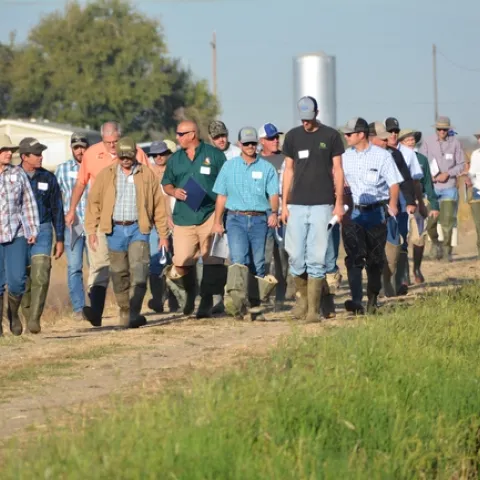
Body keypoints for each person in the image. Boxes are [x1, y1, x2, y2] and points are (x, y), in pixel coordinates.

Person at [64, 121, 149, 326]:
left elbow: (149, 181)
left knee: (126, 268)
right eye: (108, 142)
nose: (112, 145)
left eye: (116, 141)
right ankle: (96, 312)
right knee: (99, 264)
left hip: (130, 219)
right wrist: (72, 208)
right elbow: (81, 183)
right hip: (101, 219)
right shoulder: (91, 154)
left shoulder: (135, 152)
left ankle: (129, 313)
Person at [85, 137, 169, 328]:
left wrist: (163, 235)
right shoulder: (106, 175)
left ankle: (133, 312)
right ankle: (124, 310)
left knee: (139, 273)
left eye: (128, 156)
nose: (125, 160)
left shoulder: (146, 174)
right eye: (122, 156)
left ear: (134, 155)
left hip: (139, 228)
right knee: (118, 274)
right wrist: (91, 230)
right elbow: (94, 203)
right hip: (114, 230)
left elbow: (158, 206)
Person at [281, 96, 346, 323]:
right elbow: (288, 170)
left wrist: (338, 203)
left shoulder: (331, 136)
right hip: (296, 204)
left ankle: (312, 311)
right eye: (303, 119)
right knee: (296, 256)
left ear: (317, 112)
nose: (306, 123)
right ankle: (304, 300)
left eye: (309, 118)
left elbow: (338, 170)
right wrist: (284, 205)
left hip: (323, 204)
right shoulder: (292, 137)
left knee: (317, 258)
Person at [162, 120, 227, 319]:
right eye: (177, 134)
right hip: (184, 216)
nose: (177, 138)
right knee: (181, 261)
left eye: (181, 134)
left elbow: (226, 184)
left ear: (192, 134)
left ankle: (206, 301)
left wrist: (220, 218)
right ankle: (190, 293)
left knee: (212, 260)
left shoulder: (214, 155)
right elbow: (166, 184)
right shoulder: (175, 160)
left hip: (209, 214)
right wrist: (175, 192)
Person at [212, 127, 279, 320]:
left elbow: (273, 194)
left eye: (253, 143)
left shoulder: (266, 168)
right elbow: (221, 196)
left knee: (258, 263)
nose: (250, 146)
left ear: (257, 144)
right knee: (238, 260)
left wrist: (274, 212)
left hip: (259, 219)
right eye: (246, 143)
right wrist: (217, 221)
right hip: (235, 219)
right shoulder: (229, 166)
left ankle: (256, 307)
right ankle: (238, 305)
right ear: (239, 144)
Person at [340, 117, 403, 314]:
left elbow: (394, 183)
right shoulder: (344, 157)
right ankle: (356, 300)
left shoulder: (382, 156)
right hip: (353, 213)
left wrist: (392, 205)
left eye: (349, 134)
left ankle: (373, 300)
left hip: (376, 213)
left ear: (361, 135)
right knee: (354, 257)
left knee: (375, 259)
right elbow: (337, 180)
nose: (346, 136)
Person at [19, 137, 65, 334]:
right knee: (22, 278)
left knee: (41, 273)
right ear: (24, 156)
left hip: (43, 229)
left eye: (41, 153)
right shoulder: (12, 177)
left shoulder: (48, 178)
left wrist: (60, 238)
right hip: (18, 232)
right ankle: (27, 314)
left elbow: (57, 209)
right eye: (36, 154)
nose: (40, 157)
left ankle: (35, 319)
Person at [368, 122, 416, 297]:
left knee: (394, 243)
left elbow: (405, 180)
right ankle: (378, 285)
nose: (385, 141)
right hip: (371, 209)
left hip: (393, 208)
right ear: (371, 139)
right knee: (374, 247)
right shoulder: (359, 157)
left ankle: (388, 280)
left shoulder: (394, 155)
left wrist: (410, 201)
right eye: (382, 138)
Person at [0, 134, 39, 336]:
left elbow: (28, 202)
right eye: (4, 149)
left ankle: (13, 313)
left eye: (10, 150)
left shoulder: (17, 174)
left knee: (17, 280)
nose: (9, 153)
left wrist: (32, 229)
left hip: (17, 233)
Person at [385, 117, 424, 294]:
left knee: (401, 240)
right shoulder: (379, 152)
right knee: (384, 242)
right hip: (382, 201)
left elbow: (411, 181)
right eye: (390, 131)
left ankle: (401, 281)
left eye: (396, 132)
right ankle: (385, 283)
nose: (393, 134)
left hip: (401, 200)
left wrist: (412, 202)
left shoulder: (405, 154)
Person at [420, 116, 465, 261]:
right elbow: (421, 161)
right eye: (439, 129)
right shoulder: (427, 142)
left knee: (447, 221)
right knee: (431, 223)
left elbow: (461, 165)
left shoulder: (456, 143)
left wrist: (448, 174)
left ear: (448, 129)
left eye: (444, 129)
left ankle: (447, 250)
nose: (442, 131)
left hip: (449, 187)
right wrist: (429, 176)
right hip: (432, 189)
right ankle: (435, 243)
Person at [398, 129, 440, 283]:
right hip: (402, 201)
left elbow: (428, 183)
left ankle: (416, 268)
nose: (411, 142)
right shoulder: (396, 158)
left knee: (419, 238)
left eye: (412, 139)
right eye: (407, 140)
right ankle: (403, 274)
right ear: (401, 142)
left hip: (419, 201)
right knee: (402, 238)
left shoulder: (421, 160)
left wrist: (433, 204)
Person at [55, 133, 90, 318]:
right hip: (72, 225)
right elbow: (56, 199)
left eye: (82, 146)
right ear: (71, 148)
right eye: (76, 147)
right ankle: (79, 308)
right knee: (74, 267)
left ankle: (96, 305)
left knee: (97, 266)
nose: (80, 150)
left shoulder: (95, 167)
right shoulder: (62, 169)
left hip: (93, 224)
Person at [257, 122, 292, 306]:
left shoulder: (286, 159)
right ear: (262, 141)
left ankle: (280, 296)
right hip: (261, 216)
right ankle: (262, 295)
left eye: (277, 137)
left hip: (283, 215)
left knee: (282, 258)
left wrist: (281, 210)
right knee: (263, 257)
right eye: (271, 138)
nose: (275, 140)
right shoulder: (255, 161)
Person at [146, 140, 178, 314]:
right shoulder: (147, 173)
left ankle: (175, 300)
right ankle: (158, 299)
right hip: (153, 224)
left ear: (167, 154)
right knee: (155, 261)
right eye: (154, 155)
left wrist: (171, 217)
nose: (158, 157)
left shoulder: (175, 170)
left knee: (175, 261)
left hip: (174, 222)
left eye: (162, 154)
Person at [467, 130, 480, 257]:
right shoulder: (475, 154)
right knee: (479, 225)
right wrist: (468, 178)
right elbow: (472, 171)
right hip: (477, 192)